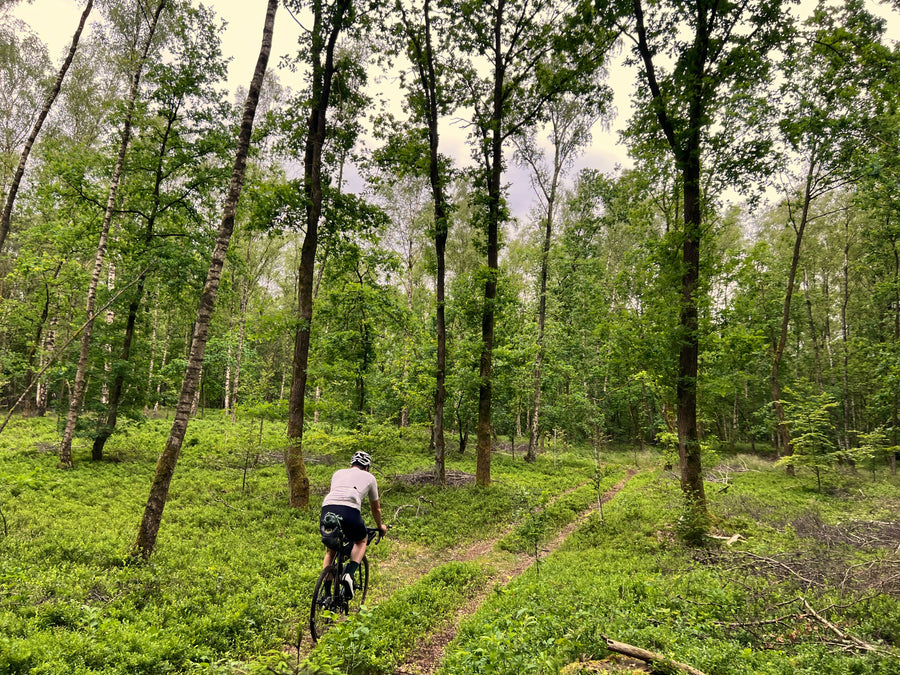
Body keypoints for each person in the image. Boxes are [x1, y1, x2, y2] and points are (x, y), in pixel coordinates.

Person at [319, 450, 387, 598]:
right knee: (361, 540)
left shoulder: (338, 473)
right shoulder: (370, 477)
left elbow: (337, 495)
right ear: (367, 467)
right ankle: (348, 574)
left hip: (328, 509)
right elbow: (376, 508)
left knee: (331, 550)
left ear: (351, 464)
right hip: (350, 510)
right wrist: (380, 526)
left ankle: (326, 594)